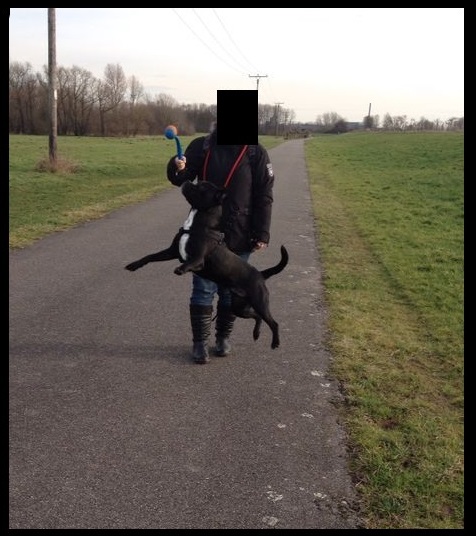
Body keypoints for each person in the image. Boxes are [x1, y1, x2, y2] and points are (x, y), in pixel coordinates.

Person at [166, 122, 275, 364]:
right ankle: (199, 344)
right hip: (205, 232)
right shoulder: (202, 146)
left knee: (231, 290)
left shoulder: (256, 152)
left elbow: (264, 196)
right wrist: (177, 164)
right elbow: (181, 179)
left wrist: (262, 233)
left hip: (241, 233)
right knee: (203, 289)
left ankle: (223, 338)